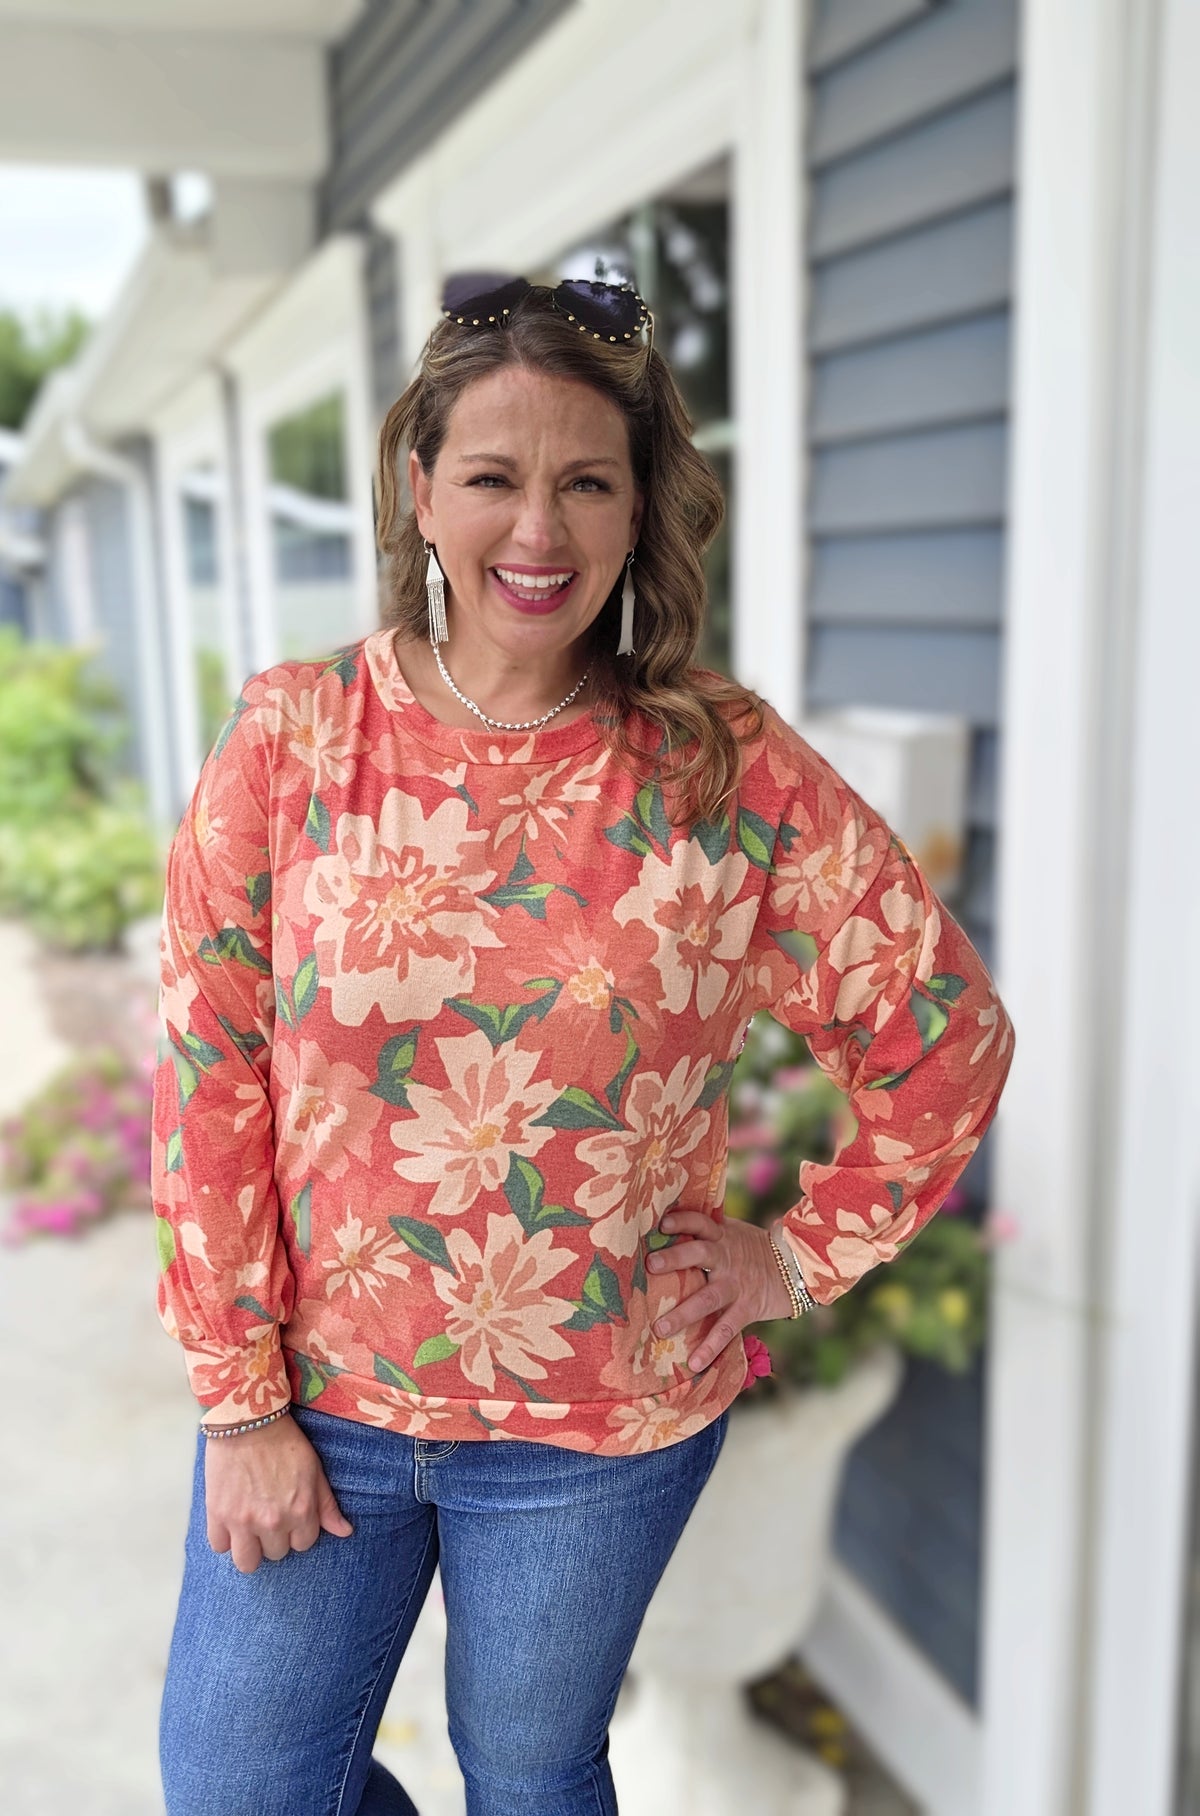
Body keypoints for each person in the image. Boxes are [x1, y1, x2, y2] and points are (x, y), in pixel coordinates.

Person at [153, 274, 1015, 1816]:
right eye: (492, 478)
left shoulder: (718, 761)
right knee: (241, 1784)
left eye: (585, 484)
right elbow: (211, 1070)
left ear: (637, 515)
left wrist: (796, 1258)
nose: (536, 532)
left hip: (600, 1425)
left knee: (535, 1775)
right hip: (321, 1401)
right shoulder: (296, 739)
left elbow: (943, 1030)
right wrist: (239, 1398)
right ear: (423, 492)